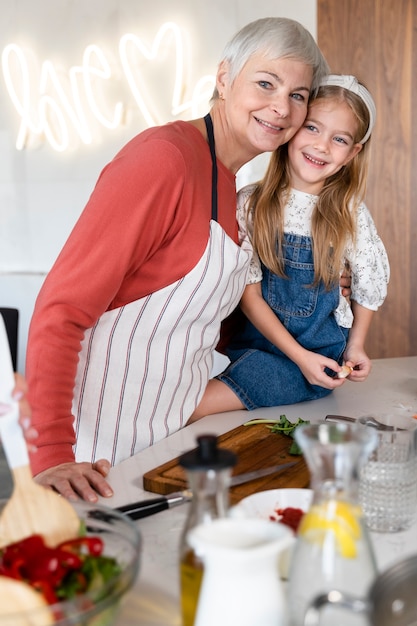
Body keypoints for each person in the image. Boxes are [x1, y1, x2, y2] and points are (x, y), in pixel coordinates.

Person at [26, 17, 331, 502]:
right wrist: (54, 454)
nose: (281, 106)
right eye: (266, 83)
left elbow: (204, 318)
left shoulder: (232, 184)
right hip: (97, 456)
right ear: (224, 78)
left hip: (164, 440)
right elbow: (61, 311)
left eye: (299, 94)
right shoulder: (163, 159)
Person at [191, 74, 389, 419]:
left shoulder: (349, 212)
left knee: (191, 408)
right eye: (312, 128)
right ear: (292, 127)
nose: (322, 145)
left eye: (339, 138)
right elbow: (248, 293)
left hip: (318, 360)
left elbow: (371, 283)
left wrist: (356, 346)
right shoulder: (251, 203)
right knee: (182, 403)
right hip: (262, 348)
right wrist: (297, 355)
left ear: (353, 153)